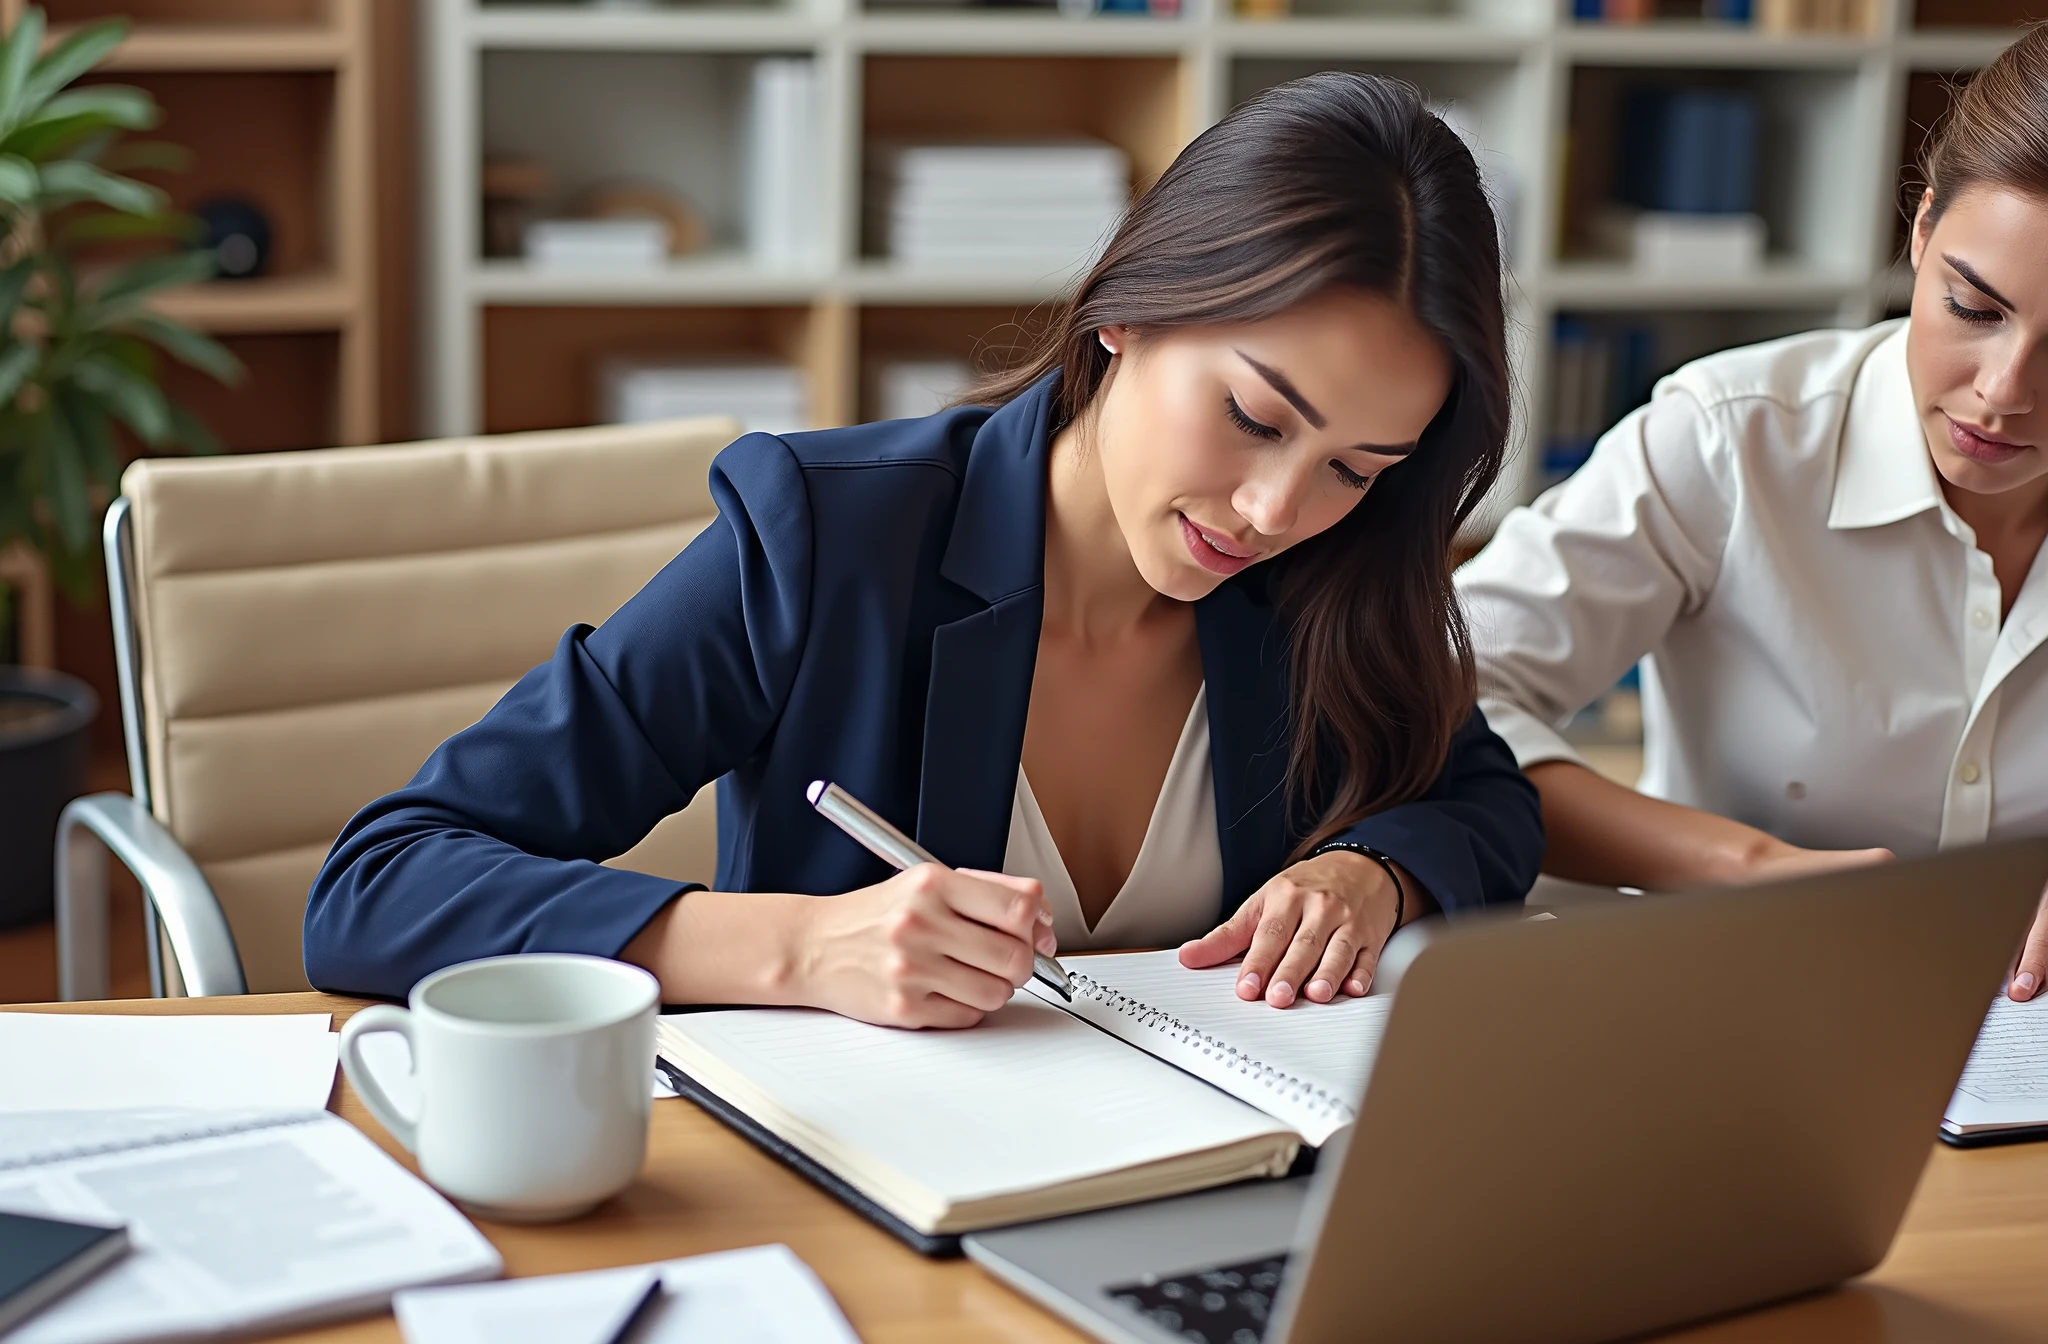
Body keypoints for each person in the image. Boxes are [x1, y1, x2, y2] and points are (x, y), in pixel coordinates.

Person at [305, 73, 1543, 1025]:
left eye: (1352, 468)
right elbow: (380, 881)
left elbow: (1480, 797)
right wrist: (791, 950)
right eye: (1252, 418)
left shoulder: (1334, 576)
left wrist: (1374, 871)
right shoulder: (827, 537)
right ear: (1123, 314)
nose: (1276, 510)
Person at [1457, 27, 2048, 999]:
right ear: (1921, 229)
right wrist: (1739, 868)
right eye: (1971, 308)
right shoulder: (1731, 440)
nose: (2000, 390)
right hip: (1743, 999)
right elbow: (1440, 696)